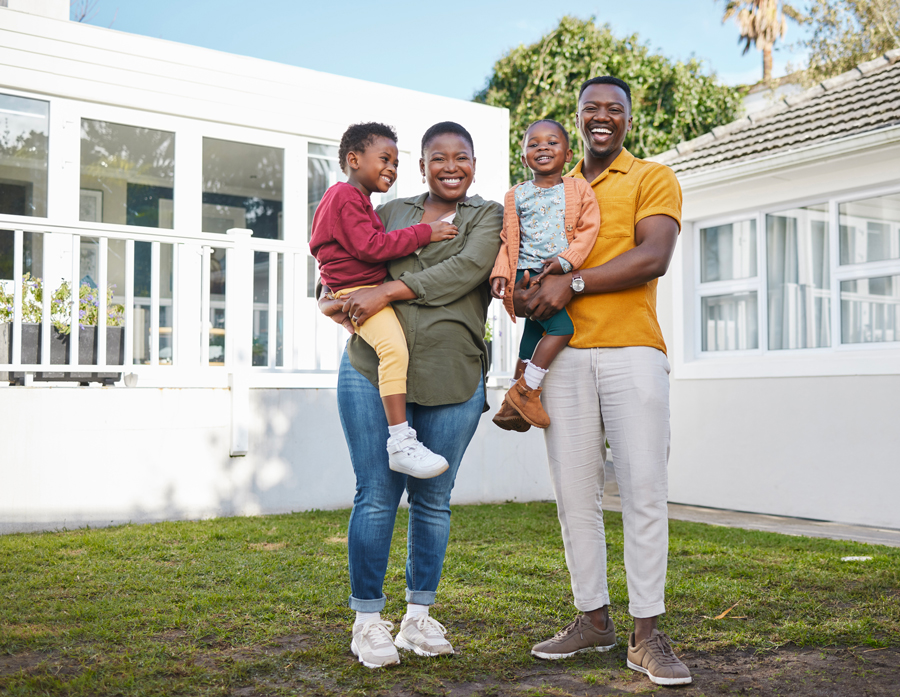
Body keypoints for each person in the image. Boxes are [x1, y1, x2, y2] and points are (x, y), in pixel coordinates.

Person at [517, 77, 692, 686]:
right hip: (558, 356)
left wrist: (578, 282)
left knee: (643, 490)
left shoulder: (651, 177)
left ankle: (647, 636)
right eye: (590, 107)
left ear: (627, 120)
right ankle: (592, 619)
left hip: (632, 353)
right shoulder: (551, 185)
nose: (601, 117)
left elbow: (655, 256)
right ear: (575, 117)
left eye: (613, 110)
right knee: (575, 497)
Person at [318, 121, 502, 669]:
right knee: (375, 495)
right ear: (421, 165)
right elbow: (341, 262)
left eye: (461, 156)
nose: (451, 165)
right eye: (437, 157)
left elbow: (464, 271)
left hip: (452, 374)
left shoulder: (486, 217)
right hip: (372, 370)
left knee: (433, 500)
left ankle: (418, 618)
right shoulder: (391, 212)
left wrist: (387, 291)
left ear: (474, 163)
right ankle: (368, 623)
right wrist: (338, 301)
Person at [310, 122, 459, 479]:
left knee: (393, 347)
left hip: (349, 290)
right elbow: (371, 247)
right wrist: (427, 232)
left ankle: (401, 438)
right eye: (384, 159)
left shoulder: (356, 201)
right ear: (353, 159)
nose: (391, 168)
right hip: (355, 291)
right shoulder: (345, 197)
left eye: (395, 162)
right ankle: (400, 441)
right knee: (394, 350)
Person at [488, 119, 599, 431]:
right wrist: (500, 271)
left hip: (555, 271)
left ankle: (514, 398)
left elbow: (588, 231)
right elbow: (508, 239)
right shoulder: (516, 195)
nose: (543, 148)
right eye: (533, 144)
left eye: (552, 142)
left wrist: (566, 262)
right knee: (561, 329)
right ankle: (525, 392)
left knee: (535, 333)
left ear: (567, 154)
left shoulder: (579, 189)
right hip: (525, 274)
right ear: (524, 158)